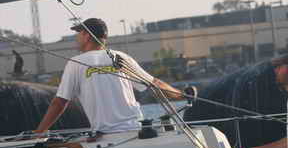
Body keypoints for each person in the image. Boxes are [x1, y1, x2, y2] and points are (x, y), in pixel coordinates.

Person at [34, 18, 183, 134]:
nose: (76, 38)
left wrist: (39, 133)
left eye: (78, 33)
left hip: (106, 135)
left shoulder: (75, 63)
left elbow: (60, 102)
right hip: (136, 130)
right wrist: (182, 95)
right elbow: (155, 84)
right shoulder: (122, 57)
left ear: (86, 36)